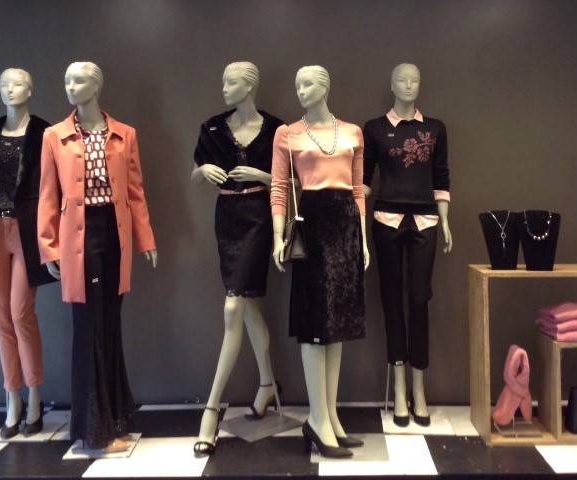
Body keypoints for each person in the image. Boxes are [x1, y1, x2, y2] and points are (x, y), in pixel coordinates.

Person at [37, 62, 157, 453]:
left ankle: (114, 419)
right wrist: (49, 246)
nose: (71, 87)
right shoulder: (54, 136)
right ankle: (93, 432)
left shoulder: (124, 134)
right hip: (79, 235)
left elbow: (135, 192)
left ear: (97, 85)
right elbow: (48, 195)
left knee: (110, 323)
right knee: (89, 326)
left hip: (115, 232)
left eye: (80, 80)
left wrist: (145, 239)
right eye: (67, 80)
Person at [270, 66, 369, 459]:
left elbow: (358, 189)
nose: (300, 90)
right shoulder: (288, 133)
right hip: (311, 225)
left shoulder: (353, 132)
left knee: (337, 324)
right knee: (315, 324)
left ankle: (330, 416)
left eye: (307, 83)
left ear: (325, 86)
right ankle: (316, 418)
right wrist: (278, 236)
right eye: (296, 84)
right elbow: (279, 187)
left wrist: (363, 241)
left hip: (346, 225)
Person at [191, 61, 284, 457]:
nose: (224, 89)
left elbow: (292, 179)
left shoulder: (277, 129)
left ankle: (211, 410)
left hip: (260, 219)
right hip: (227, 218)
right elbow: (195, 174)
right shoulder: (212, 127)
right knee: (246, 306)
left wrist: (261, 177)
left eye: (230, 83)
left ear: (249, 87)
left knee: (233, 307)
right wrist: (205, 170)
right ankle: (267, 385)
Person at [0, 68, 55, 438]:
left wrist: (53, 240)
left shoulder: (45, 133)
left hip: (28, 230)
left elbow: (53, 188)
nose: (9, 89)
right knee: (1, 318)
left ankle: (34, 395)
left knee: (21, 314)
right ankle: (12, 398)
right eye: (3, 84)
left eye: (17, 84)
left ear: (30, 89)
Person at [362, 63, 452, 428]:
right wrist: (353, 219)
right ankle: (399, 387)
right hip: (386, 219)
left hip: (426, 221)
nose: (409, 85)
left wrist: (445, 221)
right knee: (390, 299)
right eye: (402, 79)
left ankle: (419, 387)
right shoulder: (374, 128)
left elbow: (441, 176)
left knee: (418, 298)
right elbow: (364, 179)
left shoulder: (435, 129)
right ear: (392, 84)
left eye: (415, 79)